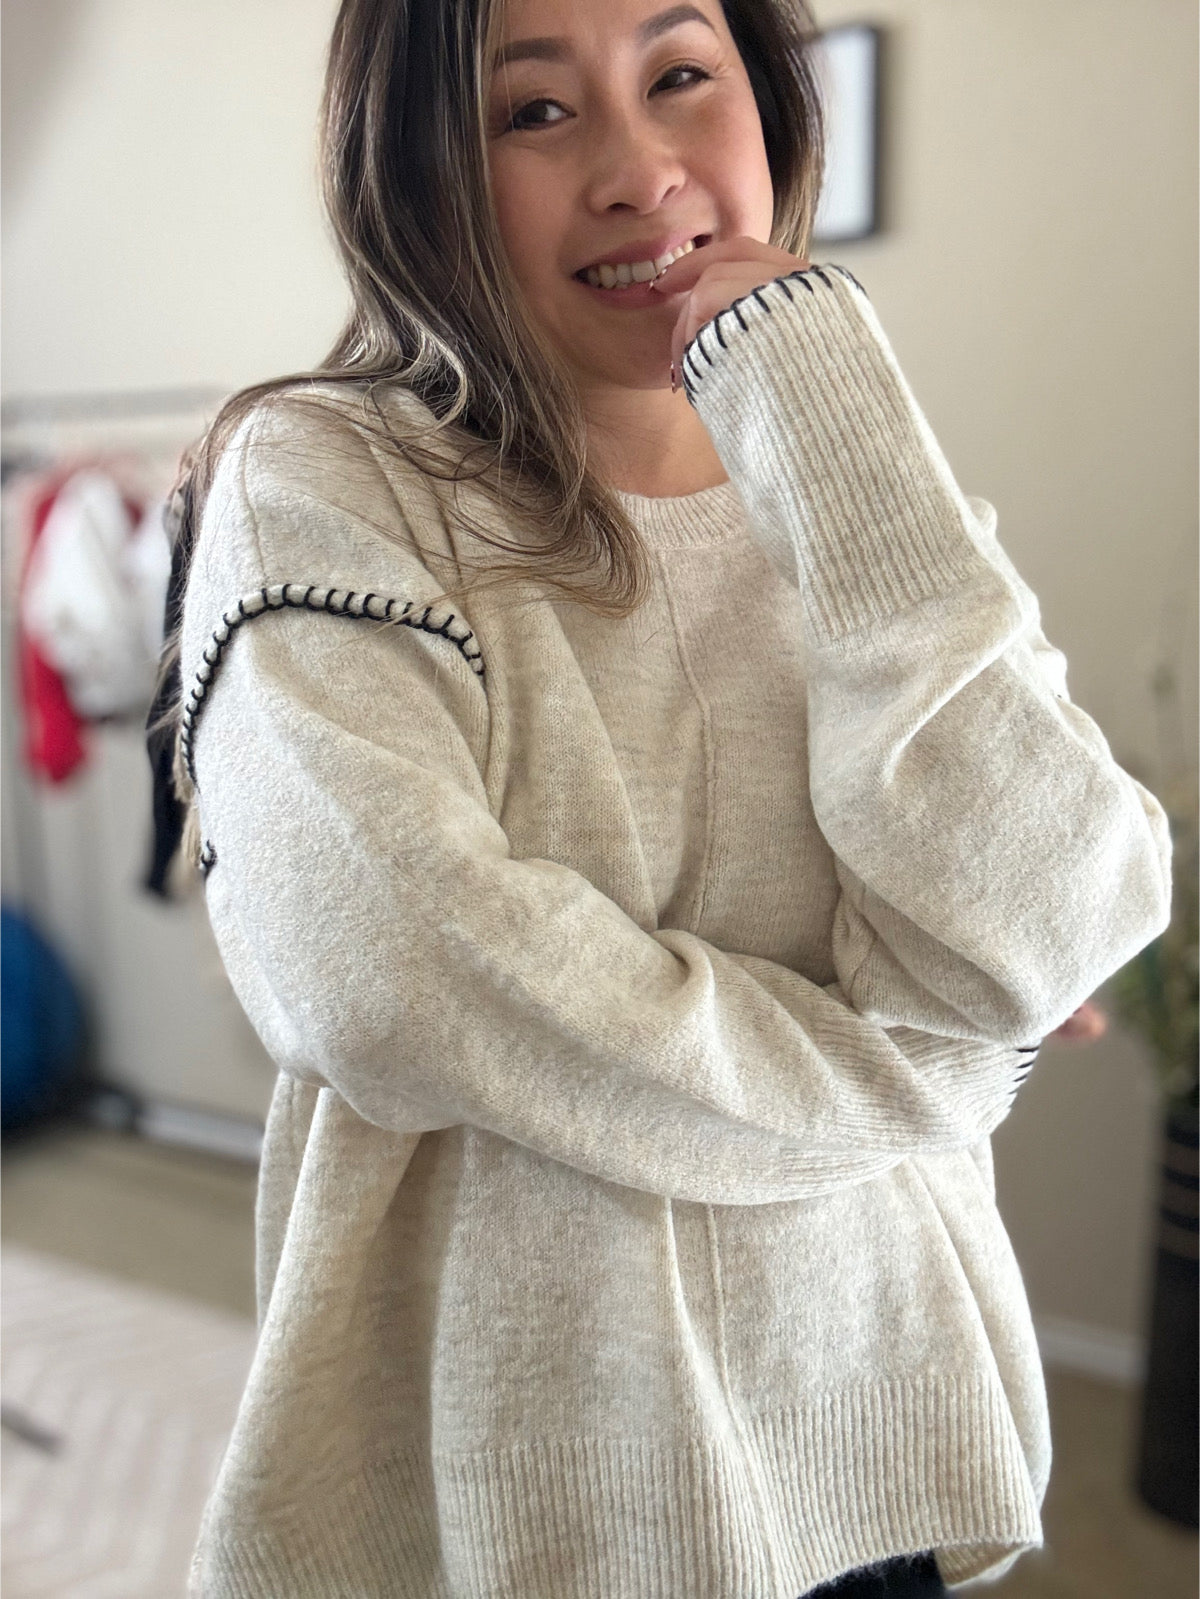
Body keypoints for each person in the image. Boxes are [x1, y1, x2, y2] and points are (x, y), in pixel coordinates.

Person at [150, 0, 1172, 1593]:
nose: (639, 169)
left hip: (873, 1434)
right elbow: (394, 976)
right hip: (522, 1484)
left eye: (683, 78)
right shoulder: (328, 477)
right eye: (533, 114)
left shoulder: (857, 491)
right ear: (414, 171)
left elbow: (1055, 916)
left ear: (771, 103)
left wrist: (822, 386)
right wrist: (928, 1069)